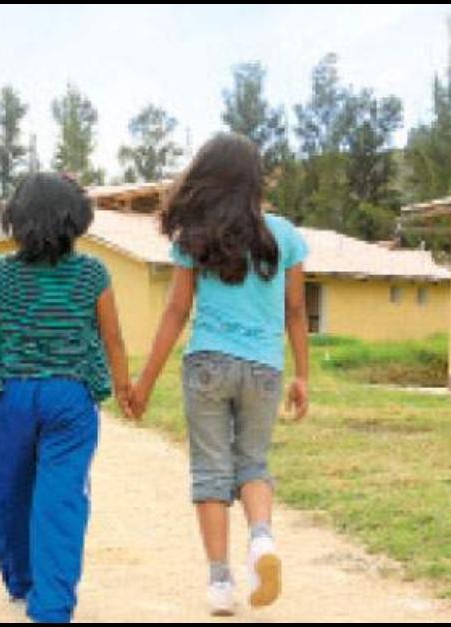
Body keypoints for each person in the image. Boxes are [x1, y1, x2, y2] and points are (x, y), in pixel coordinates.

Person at [0, 173, 134, 623]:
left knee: (12, 493)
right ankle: (52, 604)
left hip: (12, 397)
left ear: (16, 219)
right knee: (62, 498)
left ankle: (21, 578)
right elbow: (113, 339)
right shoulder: (93, 273)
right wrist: (125, 388)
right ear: (77, 220)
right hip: (71, 398)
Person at [130, 133, 310, 616]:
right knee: (253, 463)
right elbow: (296, 311)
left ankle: (220, 584)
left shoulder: (196, 237)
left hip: (208, 363)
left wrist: (145, 382)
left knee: (211, 471)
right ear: (255, 179)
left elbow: (176, 311)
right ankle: (262, 539)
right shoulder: (285, 235)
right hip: (265, 368)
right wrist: (303, 376)